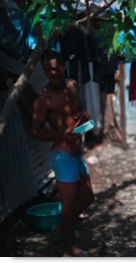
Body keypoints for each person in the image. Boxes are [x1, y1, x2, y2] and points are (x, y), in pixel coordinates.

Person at [32, 51, 95, 257]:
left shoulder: (73, 85)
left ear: (63, 66)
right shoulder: (44, 98)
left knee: (87, 198)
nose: (51, 73)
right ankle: (69, 249)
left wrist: (85, 114)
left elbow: (82, 113)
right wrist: (60, 134)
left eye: (54, 68)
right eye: (47, 70)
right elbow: (36, 131)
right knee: (68, 205)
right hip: (62, 155)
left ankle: (61, 228)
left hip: (77, 153)